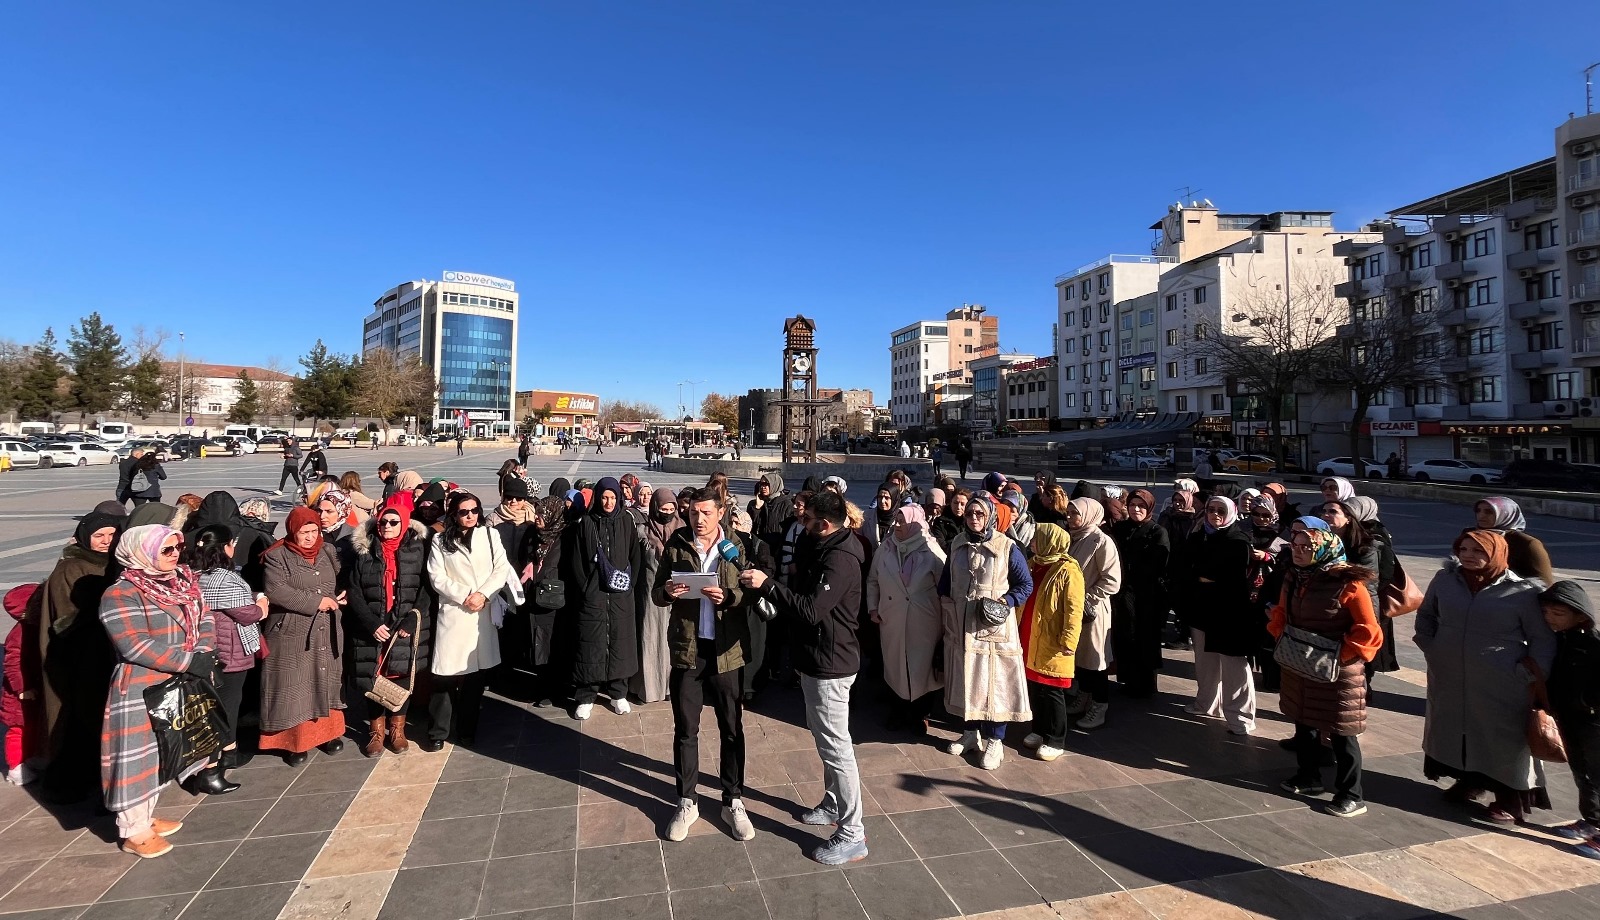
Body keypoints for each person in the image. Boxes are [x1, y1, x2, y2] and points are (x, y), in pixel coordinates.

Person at [740, 491, 870, 865]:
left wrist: (767, 585)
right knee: (824, 738)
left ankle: (852, 833)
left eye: (808, 518)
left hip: (832, 663)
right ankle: (833, 804)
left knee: (836, 747)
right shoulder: (824, 543)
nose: (802, 522)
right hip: (814, 658)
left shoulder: (841, 558)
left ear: (825, 524)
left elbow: (811, 610)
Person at [1416, 529, 1556, 824]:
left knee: (1502, 738)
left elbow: (1543, 640)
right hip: (1450, 673)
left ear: (1497, 554)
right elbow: (1426, 614)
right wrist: (1430, 645)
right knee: (1459, 728)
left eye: (1478, 551)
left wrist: (1525, 672)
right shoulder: (1445, 581)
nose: (1468, 556)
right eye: (1464, 549)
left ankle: (1508, 799)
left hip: (1504, 680)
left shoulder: (1524, 593)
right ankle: (1469, 782)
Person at [98, 524, 215, 858]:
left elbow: (204, 617)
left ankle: (145, 818)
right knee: (136, 760)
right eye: (166, 550)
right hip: (141, 685)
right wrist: (187, 661)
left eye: (177, 547)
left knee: (166, 752)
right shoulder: (121, 593)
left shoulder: (182, 581)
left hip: (177, 680)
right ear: (141, 552)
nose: (175, 554)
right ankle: (132, 830)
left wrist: (202, 653)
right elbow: (134, 645)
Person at [655, 489, 756, 842]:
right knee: (686, 729)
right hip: (689, 649)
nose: (699, 519)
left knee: (731, 726)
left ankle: (733, 800)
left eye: (706, 513)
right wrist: (668, 591)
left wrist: (728, 597)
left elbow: (748, 589)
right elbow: (656, 592)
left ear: (720, 512)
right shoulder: (677, 545)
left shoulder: (736, 546)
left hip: (726, 649)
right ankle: (686, 800)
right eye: (694, 512)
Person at [1270, 526, 1381, 817]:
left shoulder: (1348, 583)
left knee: (1342, 732)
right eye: (1295, 544)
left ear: (1324, 548)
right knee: (1304, 721)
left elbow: (1369, 631)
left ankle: (1351, 794)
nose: (1298, 550)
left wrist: (1337, 655)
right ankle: (1308, 778)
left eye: (1306, 546)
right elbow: (1281, 612)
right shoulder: (1294, 577)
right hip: (1300, 662)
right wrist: (1281, 635)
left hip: (1339, 670)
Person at [35, 506, 124, 802]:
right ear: (85, 537)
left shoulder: (110, 561)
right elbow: (64, 619)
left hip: (100, 653)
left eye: (112, 534)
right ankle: (70, 784)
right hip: (77, 657)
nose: (106, 540)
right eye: (100, 535)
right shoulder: (71, 568)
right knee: (77, 720)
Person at [939, 494, 1034, 769]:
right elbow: (946, 582)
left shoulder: (1007, 547)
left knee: (995, 684)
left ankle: (996, 741)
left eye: (979, 514)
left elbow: (1024, 584)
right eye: (970, 514)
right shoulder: (958, 543)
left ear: (990, 516)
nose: (974, 519)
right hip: (961, 625)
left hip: (993, 626)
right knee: (966, 679)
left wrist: (1006, 601)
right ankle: (970, 733)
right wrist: (948, 607)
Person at [427, 491, 522, 748]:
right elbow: (436, 576)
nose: (469, 516)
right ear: (454, 514)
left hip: (481, 611)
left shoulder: (489, 535)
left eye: (474, 510)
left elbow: (501, 568)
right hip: (456, 613)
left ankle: (467, 729)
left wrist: (482, 594)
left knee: (474, 679)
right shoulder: (439, 540)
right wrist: (464, 594)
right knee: (444, 676)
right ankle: (438, 732)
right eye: (463, 512)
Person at [345, 499, 434, 756]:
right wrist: (371, 623)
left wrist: (411, 619)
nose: (386, 526)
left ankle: (397, 730)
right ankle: (375, 731)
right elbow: (355, 590)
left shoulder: (418, 549)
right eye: (383, 522)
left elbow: (426, 588)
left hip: (404, 625)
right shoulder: (366, 549)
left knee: (401, 674)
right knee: (372, 676)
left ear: (404, 524)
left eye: (393, 522)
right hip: (374, 626)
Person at [259, 506, 347, 766]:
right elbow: (276, 590)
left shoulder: (327, 551)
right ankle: (293, 742)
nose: (310, 537)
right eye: (304, 532)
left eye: (314, 531)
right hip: (291, 631)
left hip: (326, 628)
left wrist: (341, 595)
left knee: (325, 680)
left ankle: (328, 735)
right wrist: (317, 601)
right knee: (293, 685)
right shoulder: (277, 556)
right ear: (292, 531)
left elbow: (338, 578)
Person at [184, 524, 265, 793]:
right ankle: (213, 768)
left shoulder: (192, 575)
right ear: (226, 547)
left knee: (216, 706)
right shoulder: (224, 579)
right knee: (227, 707)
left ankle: (228, 751)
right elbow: (248, 614)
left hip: (205, 652)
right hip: (230, 651)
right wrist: (261, 604)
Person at [564, 477, 640, 719]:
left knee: (620, 641)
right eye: (604, 497)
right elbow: (576, 560)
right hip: (593, 593)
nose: (608, 502)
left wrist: (628, 586)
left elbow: (634, 556)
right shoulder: (586, 522)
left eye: (613, 497)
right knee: (591, 643)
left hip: (620, 594)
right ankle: (587, 695)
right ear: (597, 498)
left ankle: (618, 692)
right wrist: (587, 587)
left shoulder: (626, 521)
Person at [1180, 497, 1258, 735]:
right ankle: (1206, 703)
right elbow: (1184, 566)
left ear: (1231, 513)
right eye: (1211, 509)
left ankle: (1240, 717)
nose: (1214, 514)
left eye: (1220, 510)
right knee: (1205, 660)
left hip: (1229, 609)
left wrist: (1203, 574)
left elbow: (1233, 576)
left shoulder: (1238, 540)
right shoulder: (1198, 536)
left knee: (1233, 664)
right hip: (1202, 605)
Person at [867, 504, 947, 734]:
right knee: (895, 666)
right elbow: (873, 580)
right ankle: (897, 712)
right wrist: (873, 607)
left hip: (924, 621)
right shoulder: (886, 547)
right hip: (891, 618)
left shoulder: (931, 550)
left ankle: (920, 715)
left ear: (915, 523)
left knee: (921, 669)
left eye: (903, 521)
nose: (897, 525)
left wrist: (945, 622)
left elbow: (945, 588)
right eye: (896, 520)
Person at [1539, 581, 1600, 857]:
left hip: (1592, 721)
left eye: (1558, 614)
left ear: (1580, 614)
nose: (1551, 619)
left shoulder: (1593, 644)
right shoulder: (1559, 640)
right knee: (1581, 771)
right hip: (1568, 716)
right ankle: (1591, 821)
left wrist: (1587, 702)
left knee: (1598, 774)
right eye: (1547, 613)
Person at [1018, 524, 1084, 761]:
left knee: (1052, 691)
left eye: (1038, 538)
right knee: (1035, 688)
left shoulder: (1068, 570)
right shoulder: (1034, 563)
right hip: (1030, 635)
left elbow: (1074, 610)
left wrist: (1069, 640)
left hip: (1052, 640)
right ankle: (1038, 730)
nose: (1033, 541)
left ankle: (1056, 739)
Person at [1063, 498, 1121, 728]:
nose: (1069, 518)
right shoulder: (1075, 538)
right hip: (1074, 609)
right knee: (1080, 658)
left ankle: (1100, 704)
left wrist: (1087, 598)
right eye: (1068, 513)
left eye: (1074, 514)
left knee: (1095, 660)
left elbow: (1112, 581)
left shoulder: (1101, 541)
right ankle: (1084, 696)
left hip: (1092, 611)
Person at [1109, 489, 1171, 698]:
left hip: (1147, 595)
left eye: (1141, 506)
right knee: (1124, 636)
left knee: (1144, 638)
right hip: (1122, 593)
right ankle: (1128, 679)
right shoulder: (1121, 528)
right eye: (1133, 505)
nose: (1136, 509)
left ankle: (1145, 684)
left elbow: (1159, 564)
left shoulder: (1157, 532)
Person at [632, 488, 681, 705]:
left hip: (677, 595)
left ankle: (672, 686)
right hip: (649, 595)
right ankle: (648, 687)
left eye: (671, 509)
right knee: (649, 637)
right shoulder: (642, 531)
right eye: (663, 509)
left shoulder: (682, 530)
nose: (667, 513)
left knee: (673, 639)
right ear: (655, 508)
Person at [1474, 497, 1555, 587]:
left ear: (1507, 514)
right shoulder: (1471, 536)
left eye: (1489, 512)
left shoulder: (1526, 543)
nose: (1481, 515)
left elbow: (1544, 583)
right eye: (1478, 511)